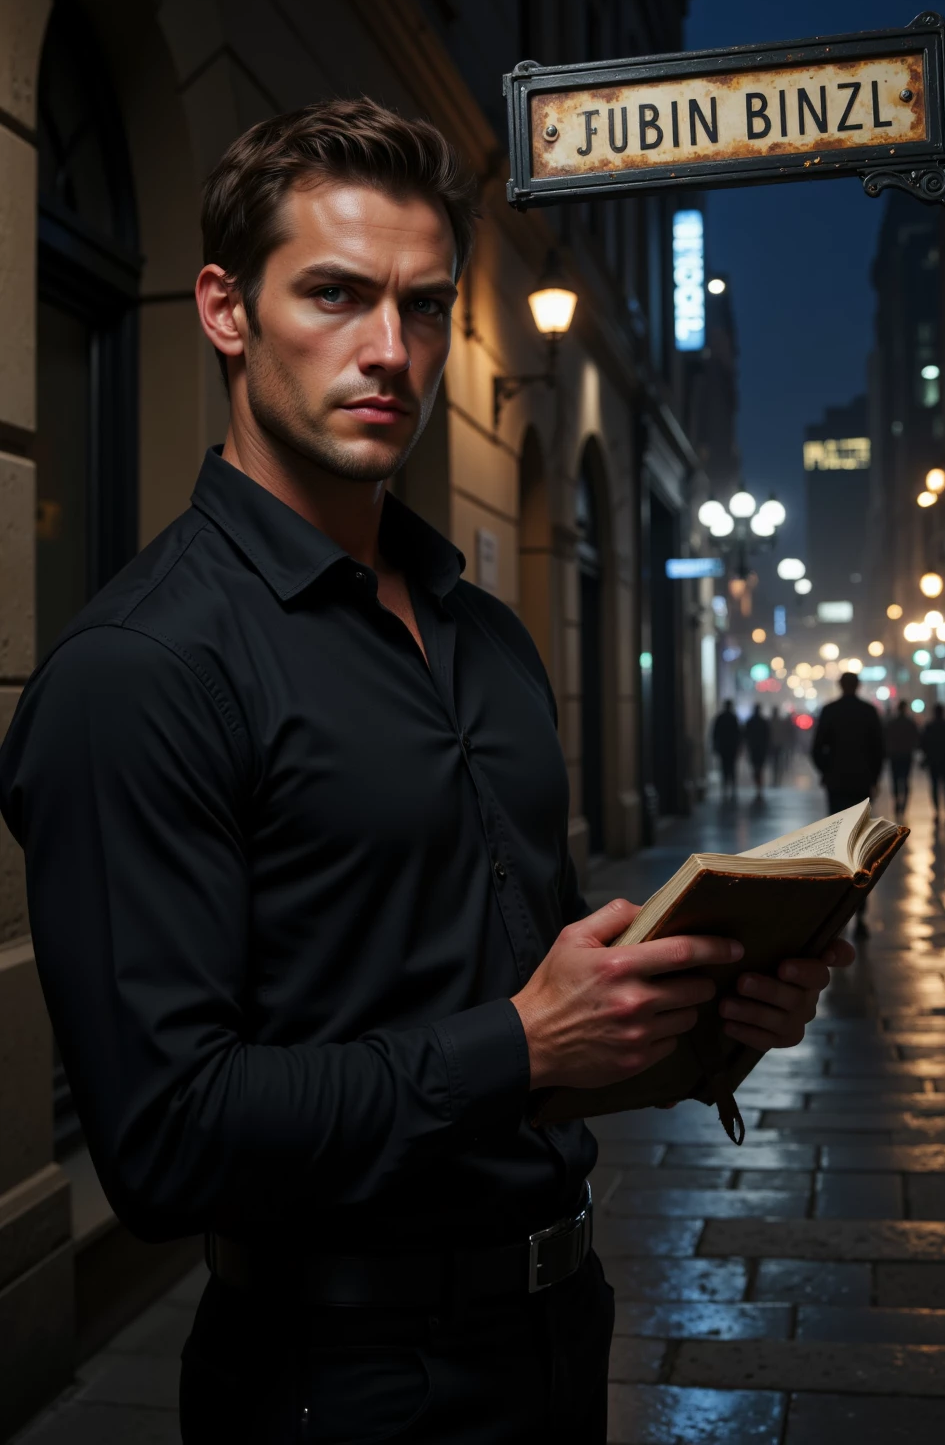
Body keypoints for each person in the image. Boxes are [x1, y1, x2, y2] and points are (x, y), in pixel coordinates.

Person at [0, 99, 855, 1444]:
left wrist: (709, 1012)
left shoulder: (491, 636)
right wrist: (520, 1042)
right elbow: (166, 1140)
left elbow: (537, 978)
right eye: (335, 296)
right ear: (225, 309)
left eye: (422, 305)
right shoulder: (140, 671)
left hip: (558, 1328)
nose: (389, 352)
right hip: (331, 1375)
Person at [812, 671, 885, 936]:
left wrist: (826, 772)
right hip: (861, 784)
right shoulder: (868, 712)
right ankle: (860, 911)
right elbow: (878, 749)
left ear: (840, 685)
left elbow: (817, 748)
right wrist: (873, 777)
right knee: (859, 842)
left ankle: (838, 906)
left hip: (837, 783)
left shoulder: (830, 710)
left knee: (838, 842)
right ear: (859, 686)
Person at [885, 699, 920, 819]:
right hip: (906, 755)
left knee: (895, 780)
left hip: (894, 756)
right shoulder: (910, 723)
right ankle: (903, 805)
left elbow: (886, 738)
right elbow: (916, 739)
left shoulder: (891, 723)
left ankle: (896, 802)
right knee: (905, 780)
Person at [712, 698, 742, 798]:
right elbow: (739, 734)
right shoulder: (733, 718)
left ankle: (726, 787)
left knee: (725, 767)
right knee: (731, 767)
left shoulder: (721, 718)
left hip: (724, 747)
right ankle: (732, 787)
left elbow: (715, 733)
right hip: (731, 747)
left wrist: (715, 746)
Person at [745, 703, 770, 801]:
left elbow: (746, 735)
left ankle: (758, 785)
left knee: (755, 767)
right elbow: (767, 736)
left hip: (754, 748)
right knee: (759, 768)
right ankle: (759, 786)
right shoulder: (763, 722)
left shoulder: (750, 721)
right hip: (760, 749)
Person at [769, 706, 790, 787]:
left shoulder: (771, 722)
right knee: (776, 763)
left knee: (775, 763)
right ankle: (776, 778)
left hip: (775, 745)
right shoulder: (779, 722)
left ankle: (776, 779)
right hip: (778, 745)